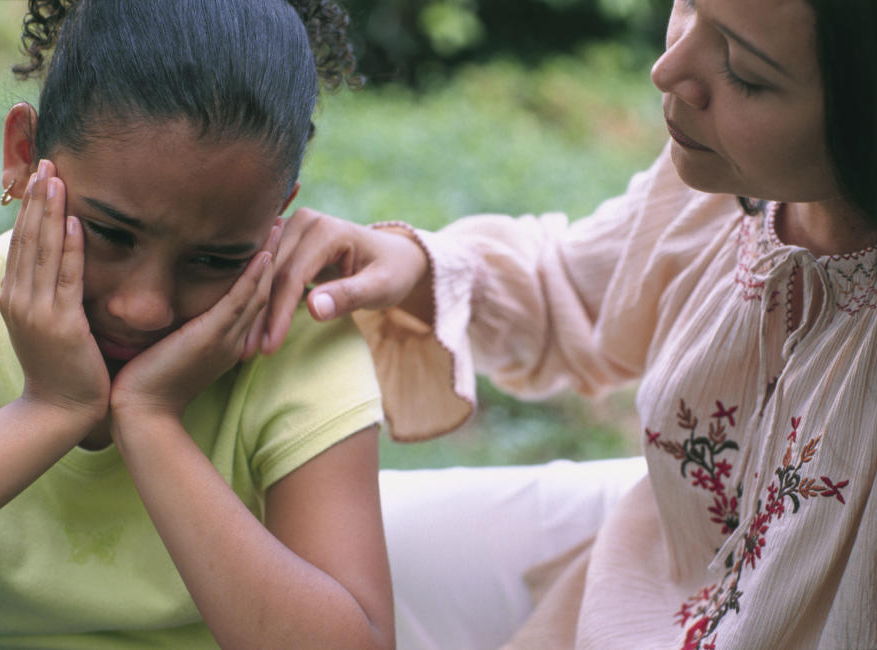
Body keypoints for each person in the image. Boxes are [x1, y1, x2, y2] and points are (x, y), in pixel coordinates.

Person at [261, 0, 877, 648]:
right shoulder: (726, 188)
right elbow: (573, 294)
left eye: (745, 72)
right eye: (688, 6)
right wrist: (414, 265)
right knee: (308, 551)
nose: (668, 71)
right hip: (628, 587)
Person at [0, 1, 395, 648]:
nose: (144, 308)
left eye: (216, 259)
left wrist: (150, 420)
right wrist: (51, 408)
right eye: (112, 233)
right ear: (24, 155)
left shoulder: (297, 338)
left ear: (275, 214)